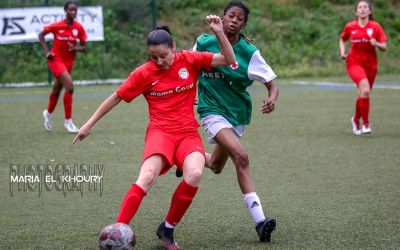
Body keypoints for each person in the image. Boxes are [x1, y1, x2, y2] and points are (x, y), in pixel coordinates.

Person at [73, 15, 236, 250]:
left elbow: (229, 59)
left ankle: (167, 229)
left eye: (163, 55)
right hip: (160, 132)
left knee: (194, 174)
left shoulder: (190, 60)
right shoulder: (143, 73)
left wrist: (219, 32)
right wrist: (89, 124)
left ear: (174, 48)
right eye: (153, 57)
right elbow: (116, 97)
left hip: (188, 133)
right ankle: (118, 231)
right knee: (147, 176)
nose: (158, 61)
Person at [190, 0, 279, 243]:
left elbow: (271, 82)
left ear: (244, 24)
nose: (234, 20)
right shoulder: (204, 43)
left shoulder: (249, 53)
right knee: (241, 157)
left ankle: (187, 158)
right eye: (231, 15)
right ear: (222, 16)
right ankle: (260, 222)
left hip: (237, 113)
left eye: (239, 18)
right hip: (211, 110)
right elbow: (188, 70)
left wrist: (272, 98)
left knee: (217, 165)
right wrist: (189, 98)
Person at [339, 0, 387, 135]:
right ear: (356, 11)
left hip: (371, 65)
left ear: (370, 11)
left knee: (364, 93)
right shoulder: (350, 26)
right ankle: (366, 123)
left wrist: (376, 43)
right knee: (365, 90)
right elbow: (342, 39)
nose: (362, 9)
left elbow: (384, 47)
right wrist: (343, 52)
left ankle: (355, 119)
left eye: (365, 7)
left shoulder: (375, 27)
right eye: (360, 7)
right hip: (354, 63)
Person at [39, 0, 87, 133]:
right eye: (70, 10)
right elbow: (41, 35)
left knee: (56, 90)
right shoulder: (57, 25)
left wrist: (76, 47)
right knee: (70, 87)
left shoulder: (79, 28)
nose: (73, 12)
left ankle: (47, 113)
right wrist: (47, 52)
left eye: (75, 10)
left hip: (68, 64)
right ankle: (68, 122)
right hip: (55, 61)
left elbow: (85, 47)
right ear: (65, 11)